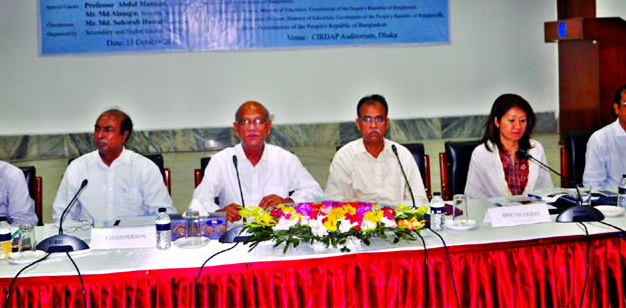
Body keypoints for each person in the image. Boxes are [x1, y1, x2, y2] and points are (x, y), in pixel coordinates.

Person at [189, 101, 324, 222]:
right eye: (246, 122)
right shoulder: (221, 161)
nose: (252, 128)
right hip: (234, 238)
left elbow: (316, 193)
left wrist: (288, 202)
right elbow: (198, 203)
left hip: (276, 237)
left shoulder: (285, 159)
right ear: (236, 129)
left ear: (269, 126)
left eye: (259, 121)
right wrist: (219, 213)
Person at [53, 109, 176, 223]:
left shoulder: (145, 168)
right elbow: (62, 216)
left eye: (107, 130)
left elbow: (163, 214)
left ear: (124, 135)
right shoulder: (78, 168)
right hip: (90, 242)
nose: (99, 135)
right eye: (97, 129)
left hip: (134, 241)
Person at [325, 95, 428, 205]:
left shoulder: (402, 155)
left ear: (387, 123)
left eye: (379, 119)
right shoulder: (344, 157)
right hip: (359, 220)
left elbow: (419, 200)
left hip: (398, 219)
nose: (373, 125)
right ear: (358, 124)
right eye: (367, 119)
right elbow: (334, 202)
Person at [464, 94, 553, 198]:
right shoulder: (482, 153)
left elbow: (546, 190)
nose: (518, 126)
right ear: (497, 122)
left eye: (522, 120)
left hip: (531, 211)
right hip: (493, 212)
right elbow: (473, 196)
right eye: (511, 120)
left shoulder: (535, 149)